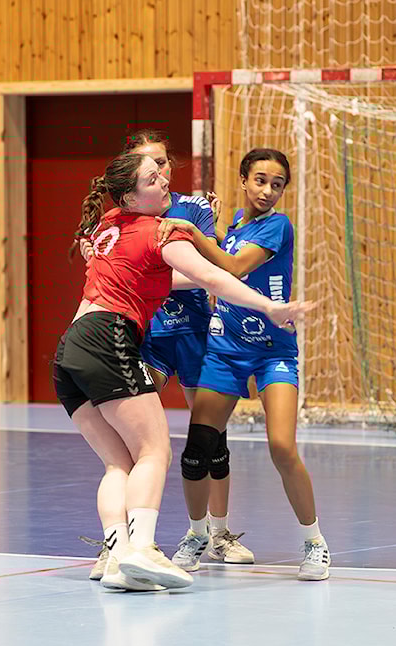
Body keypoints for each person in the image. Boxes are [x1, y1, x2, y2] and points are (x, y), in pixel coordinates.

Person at [54, 151, 312, 591]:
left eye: (161, 173)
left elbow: (161, 276)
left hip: (70, 349)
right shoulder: (160, 231)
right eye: (152, 179)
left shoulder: (109, 224)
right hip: (108, 337)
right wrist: (269, 306)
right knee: (154, 452)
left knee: (119, 463)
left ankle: (116, 557)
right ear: (130, 195)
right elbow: (215, 278)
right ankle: (142, 549)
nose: (164, 182)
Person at [79, 130, 254, 581]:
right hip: (149, 334)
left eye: (161, 163)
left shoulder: (192, 210)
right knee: (133, 443)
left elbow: (211, 268)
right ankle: (122, 545)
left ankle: (218, 532)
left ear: (169, 166)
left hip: (194, 331)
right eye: (147, 165)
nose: (157, 171)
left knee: (209, 436)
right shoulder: (122, 214)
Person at [169, 148, 331, 581]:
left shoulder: (278, 226)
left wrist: (192, 229)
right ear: (243, 180)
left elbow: (234, 265)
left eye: (277, 184)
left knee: (282, 447)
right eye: (260, 180)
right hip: (226, 348)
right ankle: (198, 534)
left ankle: (315, 542)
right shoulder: (238, 224)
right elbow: (225, 250)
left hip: (274, 350)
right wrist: (215, 226)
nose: (268, 190)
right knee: (198, 450)